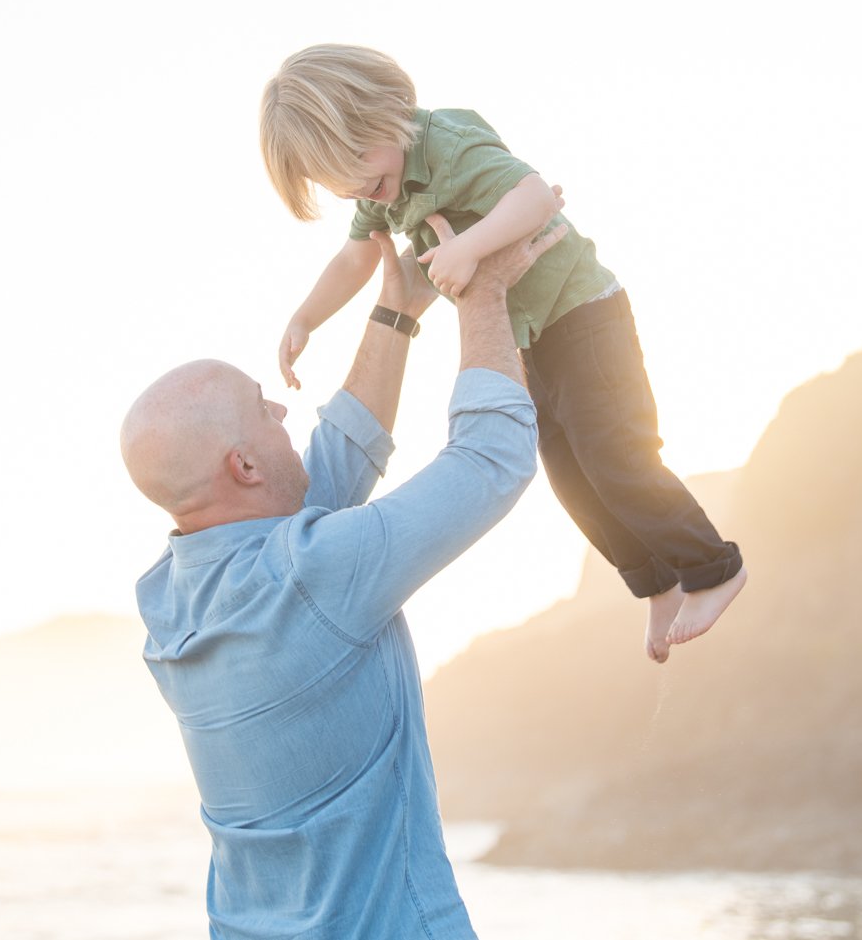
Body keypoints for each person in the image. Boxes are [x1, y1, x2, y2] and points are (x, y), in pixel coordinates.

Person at [120, 209, 566, 940]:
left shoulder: (168, 603)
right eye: (262, 408)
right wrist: (484, 295)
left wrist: (397, 308)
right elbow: (492, 458)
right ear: (244, 465)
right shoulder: (312, 573)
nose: (281, 405)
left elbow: (320, 480)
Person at [259, 43, 747, 662]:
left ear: (386, 109)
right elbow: (357, 256)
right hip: (527, 336)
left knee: (615, 452)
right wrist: (307, 317)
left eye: (360, 158)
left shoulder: (450, 145)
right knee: (571, 474)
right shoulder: (378, 190)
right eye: (338, 181)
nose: (359, 186)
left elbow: (535, 196)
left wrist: (470, 250)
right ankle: (657, 581)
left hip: (581, 311)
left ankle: (714, 567)